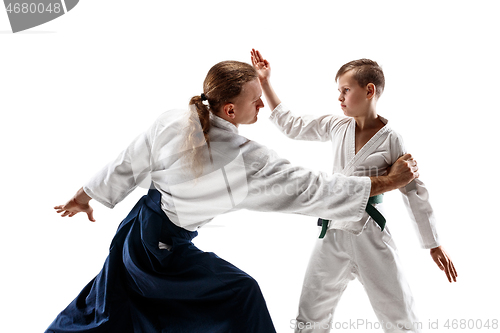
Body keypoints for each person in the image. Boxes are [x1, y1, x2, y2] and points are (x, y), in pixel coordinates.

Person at [46, 60, 418, 333]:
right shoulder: (246, 160)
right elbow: (314, 188)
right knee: (242, 294)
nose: (261, 106)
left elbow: (126, 164)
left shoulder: (174, 119)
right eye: (256, 100)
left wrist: (85, 195)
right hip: (162, 254)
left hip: (135, 235)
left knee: (111, 311)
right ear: (230, 109)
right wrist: (387, 182)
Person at [250, 49, 457, 333]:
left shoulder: (392, 138)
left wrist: (433, 243)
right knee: (310, 316)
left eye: (346, 90)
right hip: (331, 233)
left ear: (369, 90)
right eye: (339, 91)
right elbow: (293, 125)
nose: (339, 98)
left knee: (399, 315)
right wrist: (265, 82)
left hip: (370, 233)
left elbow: (413, 190)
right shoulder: (337, 125)